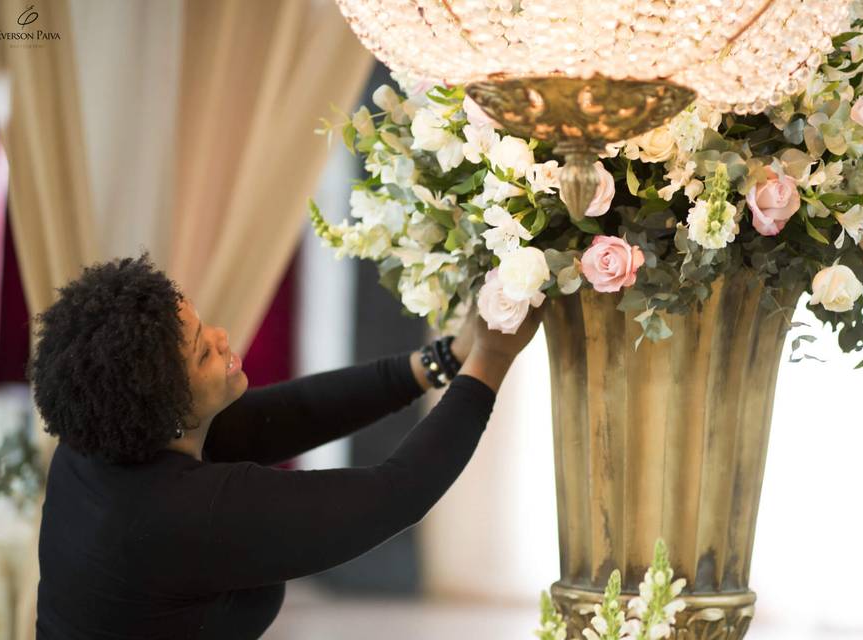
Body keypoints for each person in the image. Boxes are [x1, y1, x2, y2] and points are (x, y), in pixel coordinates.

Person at [27, 252, 542, 639]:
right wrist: (491, 361)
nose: (225, 337)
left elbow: (292, 414)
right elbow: (397, 493)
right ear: (163, 402)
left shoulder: (97, 443)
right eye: (204, 351)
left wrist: (447, 356)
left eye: (206, 326)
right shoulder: (188, 512)